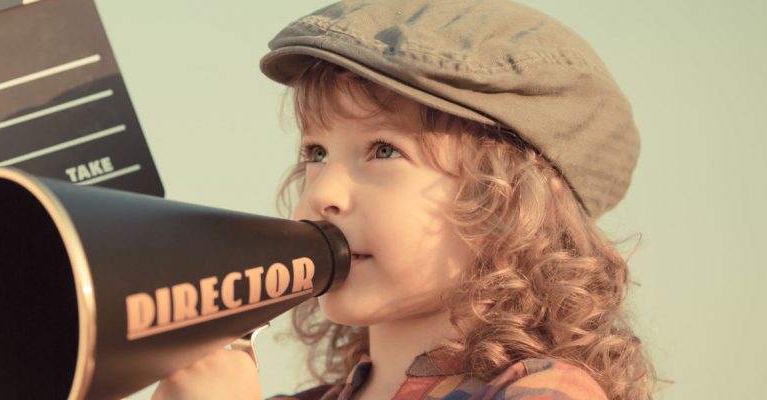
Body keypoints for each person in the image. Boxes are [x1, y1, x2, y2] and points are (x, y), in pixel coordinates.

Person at [153, 0, 658, 399]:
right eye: (316, 152)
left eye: (384, 150)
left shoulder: (543, 392)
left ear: (511, 206)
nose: (322, 192)